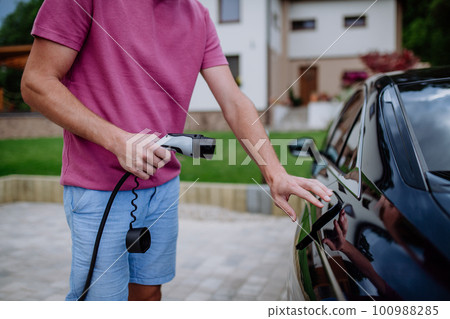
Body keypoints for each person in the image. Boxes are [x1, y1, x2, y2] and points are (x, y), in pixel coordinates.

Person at [21, 0, 332, 301]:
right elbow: (36, 82)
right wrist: (116, 140)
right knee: (102, 301)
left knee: (149, 293)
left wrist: (274, 172)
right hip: (99, 188)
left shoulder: (198, 16)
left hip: (163, 187)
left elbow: (234, 101)